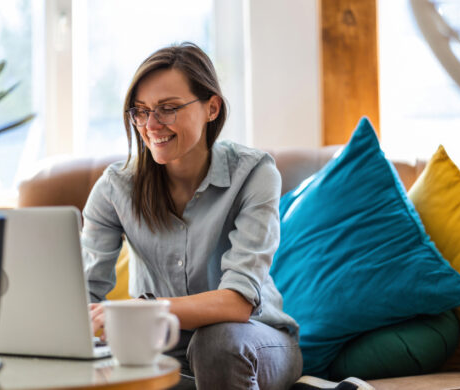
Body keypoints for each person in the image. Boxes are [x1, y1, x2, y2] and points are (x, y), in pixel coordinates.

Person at [82, 42, 302, 390]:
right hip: (160, 352)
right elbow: (84, 293)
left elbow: (238, 301)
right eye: (140, 111)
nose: (151, 125)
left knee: (216, 343)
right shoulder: (115, 188)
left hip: (254, 341)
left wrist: (147, 309)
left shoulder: (254, 174)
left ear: (211, 108)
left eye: (167, 109)